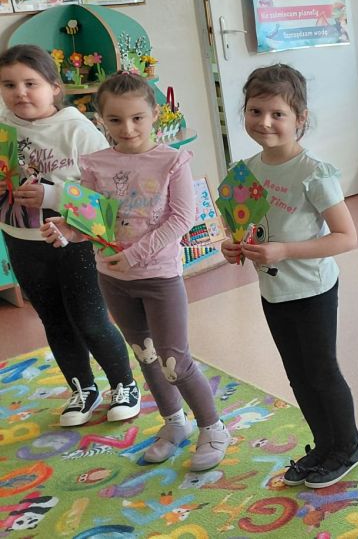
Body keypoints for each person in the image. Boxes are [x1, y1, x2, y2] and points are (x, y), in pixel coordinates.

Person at [41, 72, 229, 471]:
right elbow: (94, 222)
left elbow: (181, 219)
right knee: (145, 355)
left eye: (137, 118)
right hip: (114, 280)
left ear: (154, 115)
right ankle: (174, 423)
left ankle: (213, 427)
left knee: (174, 360)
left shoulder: (171, 161)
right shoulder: (95, 164)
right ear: (100, 120)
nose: (127, 129)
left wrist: (134, 255)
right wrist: (68, 230)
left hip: (160, 278)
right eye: (115, 120)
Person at [219, 64, 358, 488]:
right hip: (273, 289)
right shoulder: (244, 170)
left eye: (277, 113)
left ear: (300, 118)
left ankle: (347, 446)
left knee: (321, 371)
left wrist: (285, 250)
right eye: (255, 111)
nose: (264, 122)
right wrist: (233, 247)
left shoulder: (312, 172)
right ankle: (325, 443)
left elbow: (346, 237)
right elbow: (243, 230)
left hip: (313, 288)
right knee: (297, 374)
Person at [0, 44, 137, 428]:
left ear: (55, 87)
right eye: (9, 85)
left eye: (31, 83)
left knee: (90, 320)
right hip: (21, 239)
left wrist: (52, 195)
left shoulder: (77, 130)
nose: (20, 93)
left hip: (73, 242)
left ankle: (124, 384)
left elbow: (108, 196)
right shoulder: (3, 126)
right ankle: (83, 388)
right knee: (54, 320)